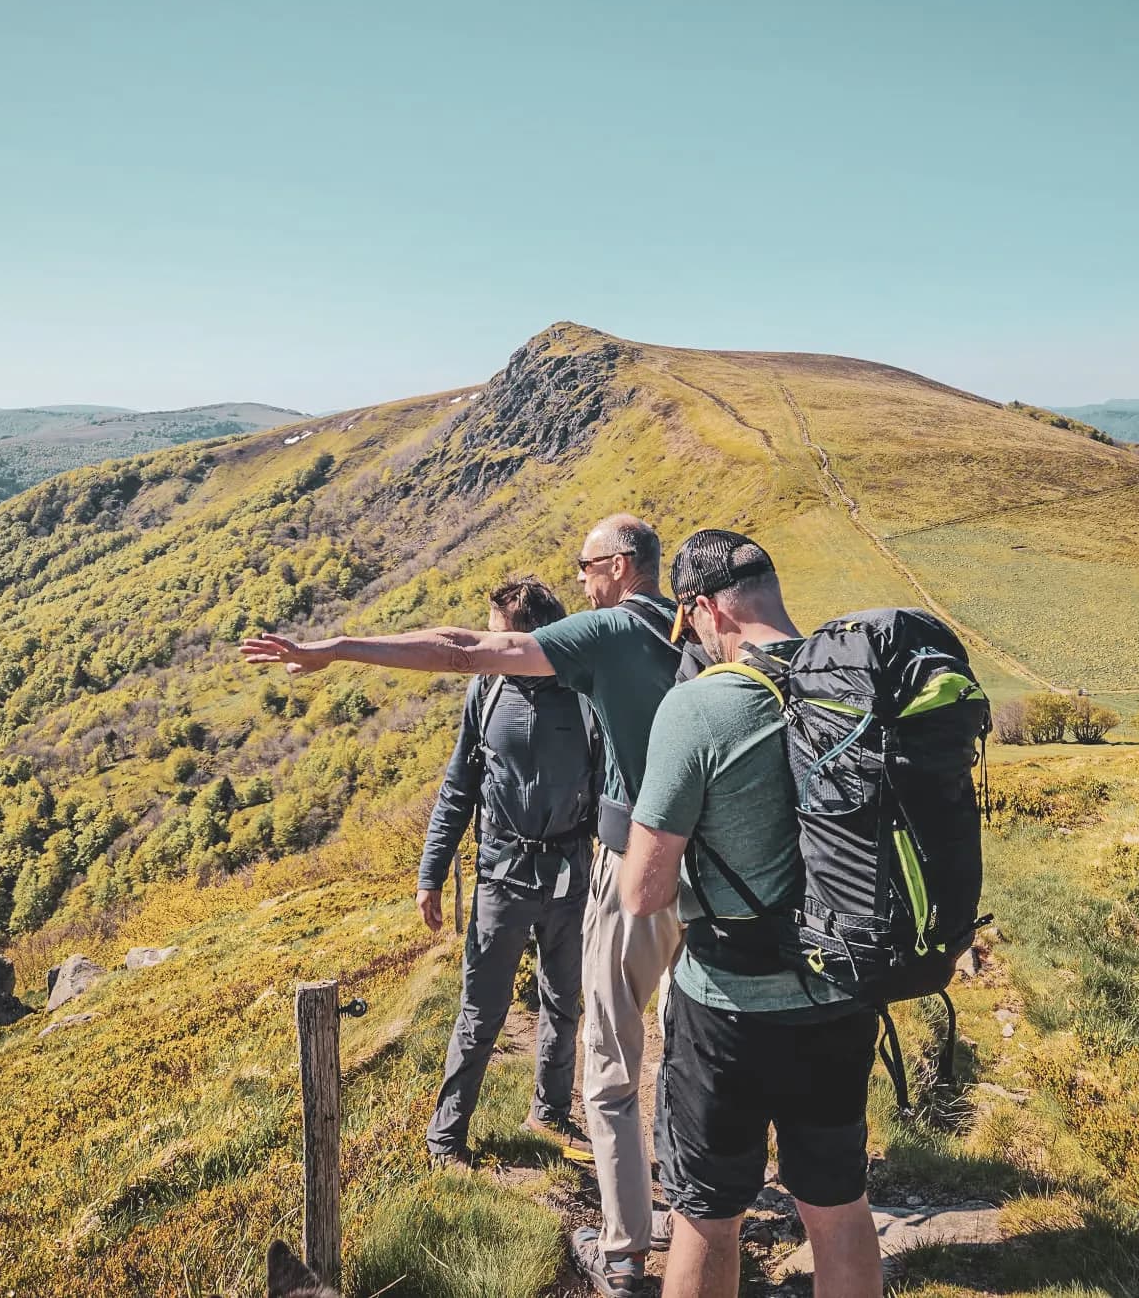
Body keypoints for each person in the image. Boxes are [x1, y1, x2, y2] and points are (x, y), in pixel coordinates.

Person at [241, 512, 684, 1298]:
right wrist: (430, 870)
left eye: (588, 565)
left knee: (592, 1034)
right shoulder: (685, 631)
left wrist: (338, 649)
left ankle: (618, 1234)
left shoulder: (599, 648)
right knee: (642, 1034)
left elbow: (456, 646)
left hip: (606, 867)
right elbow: (461, 777)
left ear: (617, 565)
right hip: (671, 869)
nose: (581, 577)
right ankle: (675, 1205)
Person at [619, 530, 883, 1298]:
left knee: (708, 1215)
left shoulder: (698, 707)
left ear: (703, 610)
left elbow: (642, 892)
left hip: (728, 1010)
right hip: (842, 994)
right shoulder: (858, 689)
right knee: (838, 1208)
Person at [416, 578, 596, 1168]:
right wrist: (431, 872)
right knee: (480, 1009)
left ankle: (549, 1112)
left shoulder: (586, 691)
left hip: (571, 873)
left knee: (563, 1000)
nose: (483, 648)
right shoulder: (486, 690)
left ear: (530, 638)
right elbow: (457, 785)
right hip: (501, 874)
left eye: (495, 637)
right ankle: (446, 1139)